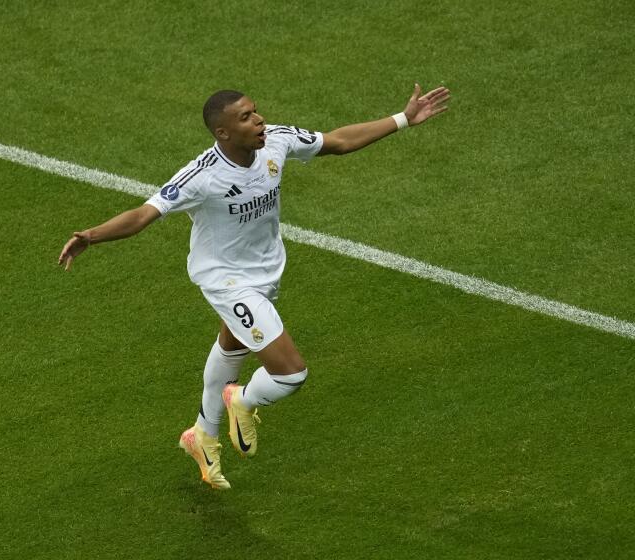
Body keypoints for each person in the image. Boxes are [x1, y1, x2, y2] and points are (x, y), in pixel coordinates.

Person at [58, 84, 450, 489]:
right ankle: (240, 399)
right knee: (290, 375)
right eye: (245, 117)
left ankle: (201, 436)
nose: (259, 119)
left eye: (256, 111)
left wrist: (403, 118)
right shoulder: (201, 176)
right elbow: (144, 214)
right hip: (226, 280)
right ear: (223, 133)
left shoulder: (276, 141)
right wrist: (92, 235)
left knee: (232, 345)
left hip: (266, 271)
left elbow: (337, 141)